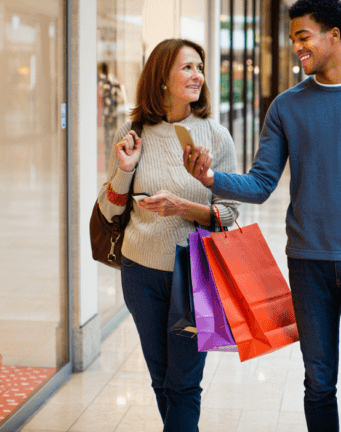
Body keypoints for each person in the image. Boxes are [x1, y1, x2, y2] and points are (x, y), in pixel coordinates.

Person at [184, 0, 341, 432]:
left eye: (303, 36)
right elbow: (260, 185)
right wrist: (211, 179)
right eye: (293, 38)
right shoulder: (287, 107)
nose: (297, 47)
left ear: (334, 36)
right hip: (308, 264)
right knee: (318, 382)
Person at [97, 38, 239, 431]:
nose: (198, 76)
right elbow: (110, 209)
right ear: (162, 78)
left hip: (196, 275)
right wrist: (126, 169)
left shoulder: (215, 136)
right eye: (187, 68)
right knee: (161, 378)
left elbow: (229, 214)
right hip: (141, 272)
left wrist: (183, 207)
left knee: (184, 384)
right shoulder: (134, 132)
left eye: (200, 67)